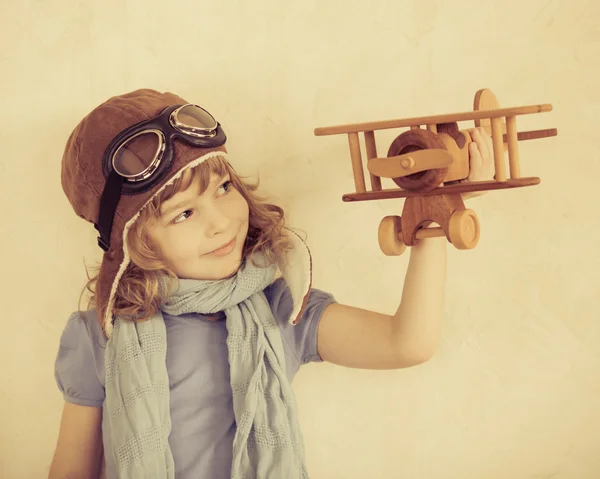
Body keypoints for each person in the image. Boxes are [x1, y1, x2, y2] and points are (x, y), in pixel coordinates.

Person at [48, 89, 494, 479]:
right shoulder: (99, 337)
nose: (220, 222)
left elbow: (406, 343)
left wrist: (434, 217)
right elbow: (71, 471)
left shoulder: (283, 310)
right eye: (184, 213)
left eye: (223, 188)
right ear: (134, 242)